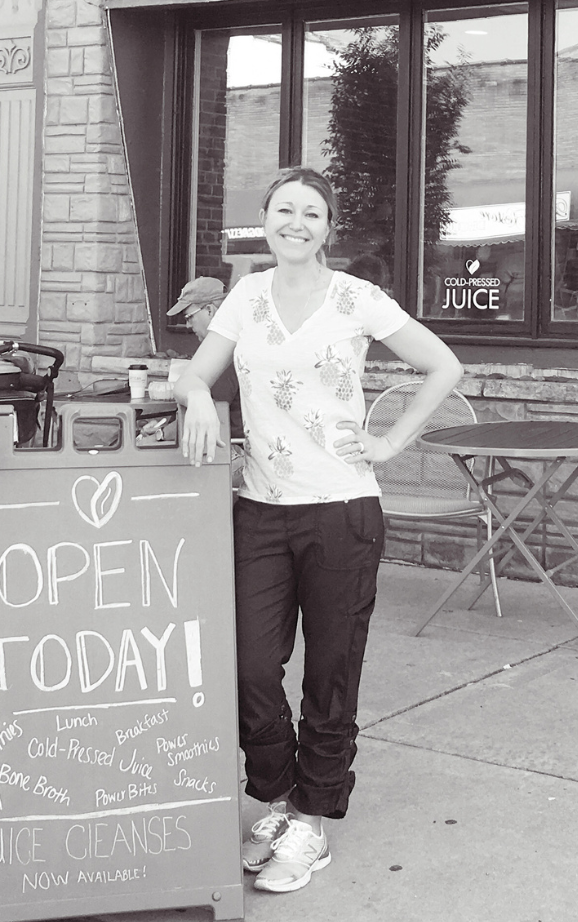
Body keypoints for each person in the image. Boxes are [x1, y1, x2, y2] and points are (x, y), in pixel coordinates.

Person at [174, 166, 461, 895]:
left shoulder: (357, 299)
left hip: (341, 511)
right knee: (248, 667)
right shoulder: (245, 296)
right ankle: (276, 795)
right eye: (283, 211)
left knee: (331, 675)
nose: (295, 223)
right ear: (264, 220)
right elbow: (193, 373)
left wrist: (392, 444)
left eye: (311, 213)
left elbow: (442, 365)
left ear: (329, 227)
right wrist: (200, 400)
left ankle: (313, 820)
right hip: (261, 511)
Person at [167, 276, 242, 438]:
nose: (187, 325)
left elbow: (207, 411)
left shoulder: (224, 352)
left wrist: (159, 434)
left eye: (189, 317)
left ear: (210, 310)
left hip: (235, 451)